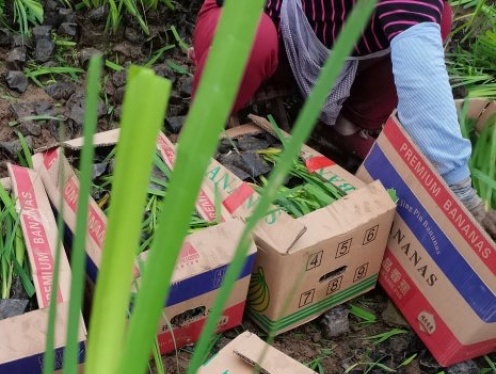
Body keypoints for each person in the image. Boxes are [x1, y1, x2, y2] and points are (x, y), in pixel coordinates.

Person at [190, 0, 496, 237]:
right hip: (262, 19)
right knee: (250, 38)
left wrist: (458, 188)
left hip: (330, 47)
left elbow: (421, 72)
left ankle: (348, 124)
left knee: (435, 18)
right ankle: (209, 122)